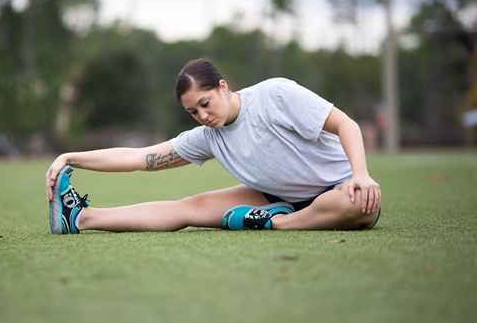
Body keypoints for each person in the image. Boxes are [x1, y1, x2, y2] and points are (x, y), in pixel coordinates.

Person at [45, 58, 381, 234]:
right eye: (192, 112)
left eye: (205, 103)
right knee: (190, 206)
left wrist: (361, 175)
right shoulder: (207, 138)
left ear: (223, 86)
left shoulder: (275, 95)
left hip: (339, 187)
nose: (202, 115)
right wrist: (70, 156)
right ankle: (81, 219)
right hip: (278, 198)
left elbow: (345, 124)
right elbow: (138, 158)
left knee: (360, 207)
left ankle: (274, 223)